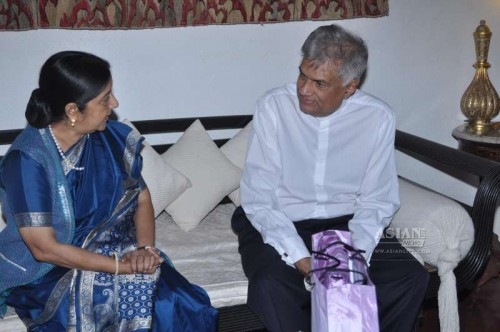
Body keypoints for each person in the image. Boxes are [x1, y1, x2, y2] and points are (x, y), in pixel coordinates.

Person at [0, 51, 217, 331]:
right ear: (73, 111)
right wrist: (122, 267)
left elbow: (142, 198)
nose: (114, 103)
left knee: (175, 300)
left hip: (116, 249)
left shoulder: (108, 138)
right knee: (110, 307)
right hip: (51, 271)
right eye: (105, 98)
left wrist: (144, 248)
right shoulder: (28, 160)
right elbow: (44, 249)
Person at [231, 24, 429, 332]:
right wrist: (303, 260)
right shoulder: (273, 107)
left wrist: (350, 261)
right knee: (271, 284)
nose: (304, 89)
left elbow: (377, 199)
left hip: (344, 225)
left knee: (409, 278)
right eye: (302, 75)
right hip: (281, 218)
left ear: (349, 86)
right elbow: (259, 198)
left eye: (320, 83)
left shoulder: (377, 118)